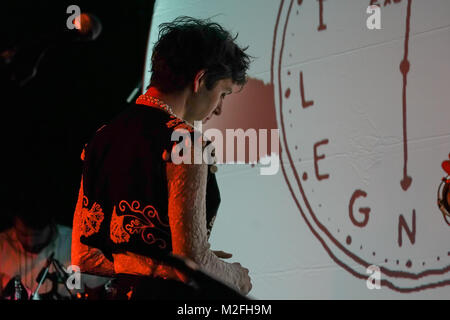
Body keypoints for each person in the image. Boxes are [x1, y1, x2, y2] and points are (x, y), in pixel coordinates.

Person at [71, 16, 253, 299]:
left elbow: (84, 257)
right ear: (200, 80)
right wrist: (235, 276)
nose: (218, 109)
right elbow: (192, 262)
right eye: (223, 94)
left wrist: (155, 261)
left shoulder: (100, 139)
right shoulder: (184, 140)